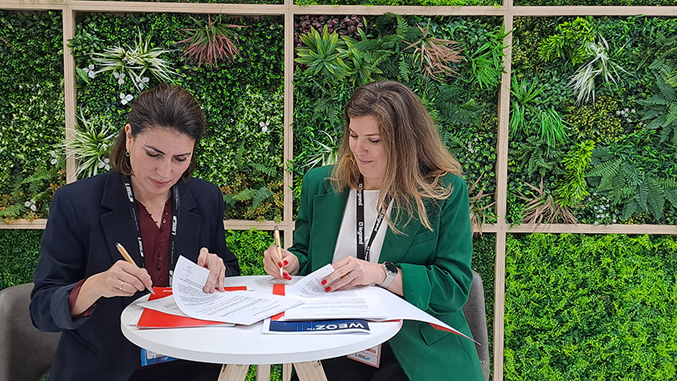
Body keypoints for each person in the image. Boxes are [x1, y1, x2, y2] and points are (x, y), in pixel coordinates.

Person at [263, 80, 483, 381]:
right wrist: (291, 261)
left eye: (374, 140)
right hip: (329, 341)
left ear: (406, 141)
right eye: (353, 135)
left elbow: (454, 286)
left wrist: (382, 273)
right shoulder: (320, 183)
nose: (358, 149)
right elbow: (304, 251)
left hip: (410, 346)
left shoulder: (443, 192)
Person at [30, 84, 240, 381]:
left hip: (190, 366)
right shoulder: (76, 203)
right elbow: (41, 308)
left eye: (180, 159)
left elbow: (229, 270)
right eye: (153, 154)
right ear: (129, 137)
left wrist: (218, 272)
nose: (165, 172)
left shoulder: (206, 199)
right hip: (104, 369)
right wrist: (94, 286)